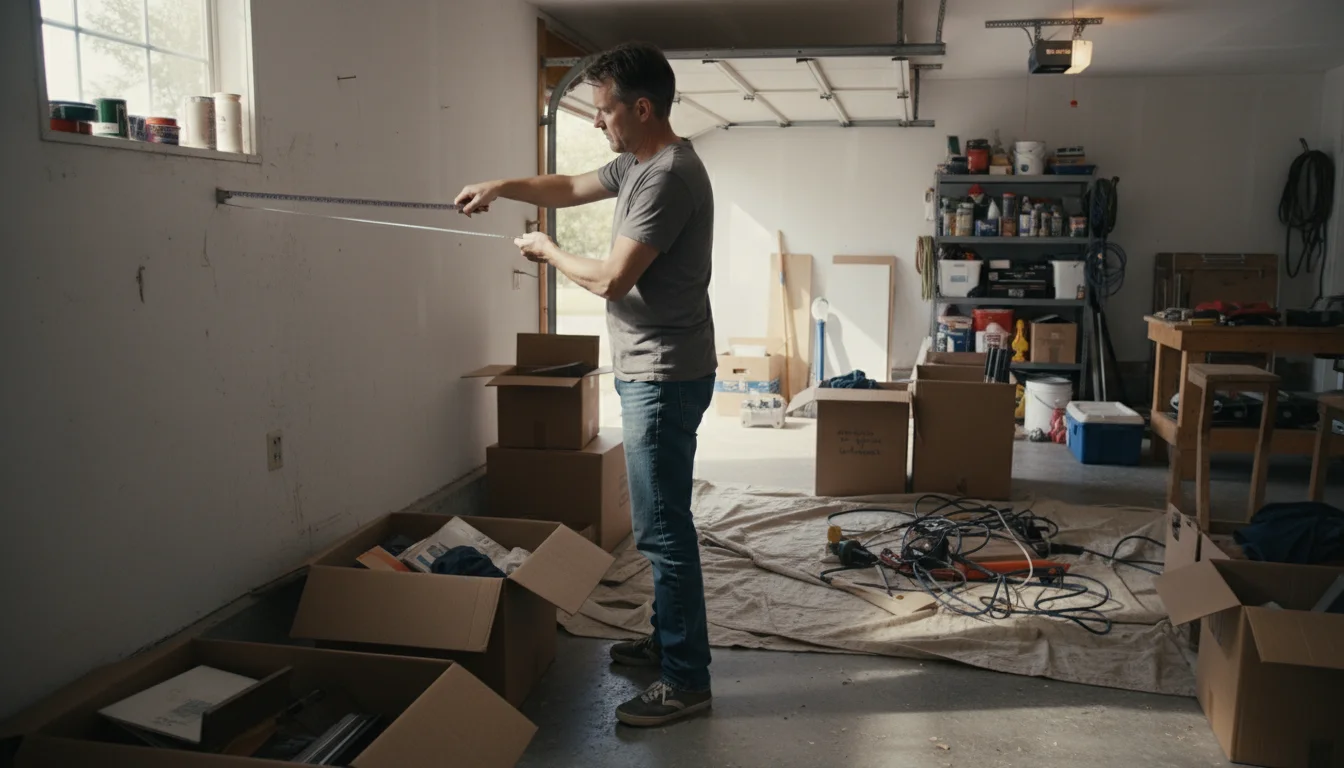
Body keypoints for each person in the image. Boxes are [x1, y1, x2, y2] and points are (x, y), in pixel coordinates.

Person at [454, 42, 715, 727]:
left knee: (662, 531)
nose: (599, 124)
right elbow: (570, 187)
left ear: (641, 107)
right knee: (663, 522)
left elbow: (611, 279)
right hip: (657, 367)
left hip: (663, 373)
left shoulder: (667, 178)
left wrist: (545, 250)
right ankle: (668, 642)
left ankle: (687, 680)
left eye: (604, 112)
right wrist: (501, 186)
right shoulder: (636, 162)